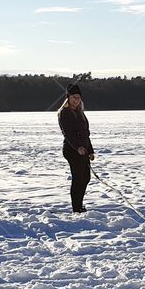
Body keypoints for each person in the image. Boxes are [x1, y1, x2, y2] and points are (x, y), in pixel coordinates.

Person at [57, 83, 95, 213]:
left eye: (78, 97)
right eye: (74, 97)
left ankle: (79, 204)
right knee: (78, 178)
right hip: (72, 150)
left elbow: (86, 133)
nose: (76, 100)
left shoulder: (80, 113)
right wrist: (78, 147)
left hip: (83, 150)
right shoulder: (65, 113)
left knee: (86, 178)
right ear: (68, 98)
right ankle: (76, 207)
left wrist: (90, 150)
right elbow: (68, 134)